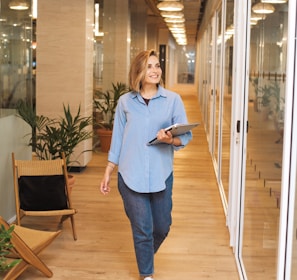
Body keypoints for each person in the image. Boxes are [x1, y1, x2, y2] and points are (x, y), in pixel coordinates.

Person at [100, 49, 193, 280]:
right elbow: (118, 138)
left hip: (161, 175)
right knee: (142, 229)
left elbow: (186, 137)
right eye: (149, 66)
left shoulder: (172, 100)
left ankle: (144, 258)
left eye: (157, 65)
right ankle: (146, 274)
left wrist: (169, 139)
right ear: (139, 71)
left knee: (161, 227)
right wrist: (109, 171)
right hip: (130, 176)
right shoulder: (125, 102)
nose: (155, 70)